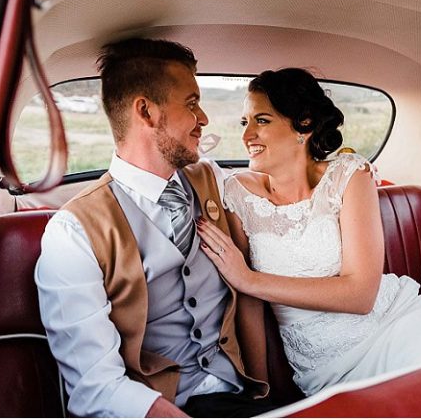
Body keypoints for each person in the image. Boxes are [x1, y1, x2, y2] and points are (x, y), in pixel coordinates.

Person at [196, 68, 421, 396]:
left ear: (303, 125)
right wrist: (260, 391)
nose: (247, 135)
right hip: (326, 366)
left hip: (402, 327)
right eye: (244, 123)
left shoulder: (350, 176)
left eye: (261, 120)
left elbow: (361, 296)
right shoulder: (237, 194)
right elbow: (249, 302)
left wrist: (249, 279)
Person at [35, 38, 272, 417]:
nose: (204, 118)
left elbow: (283, 198)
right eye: (191, 103)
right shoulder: (73, 233)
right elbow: (95, 387)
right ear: (145, 111)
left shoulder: (211, 180)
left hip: (241, 396)